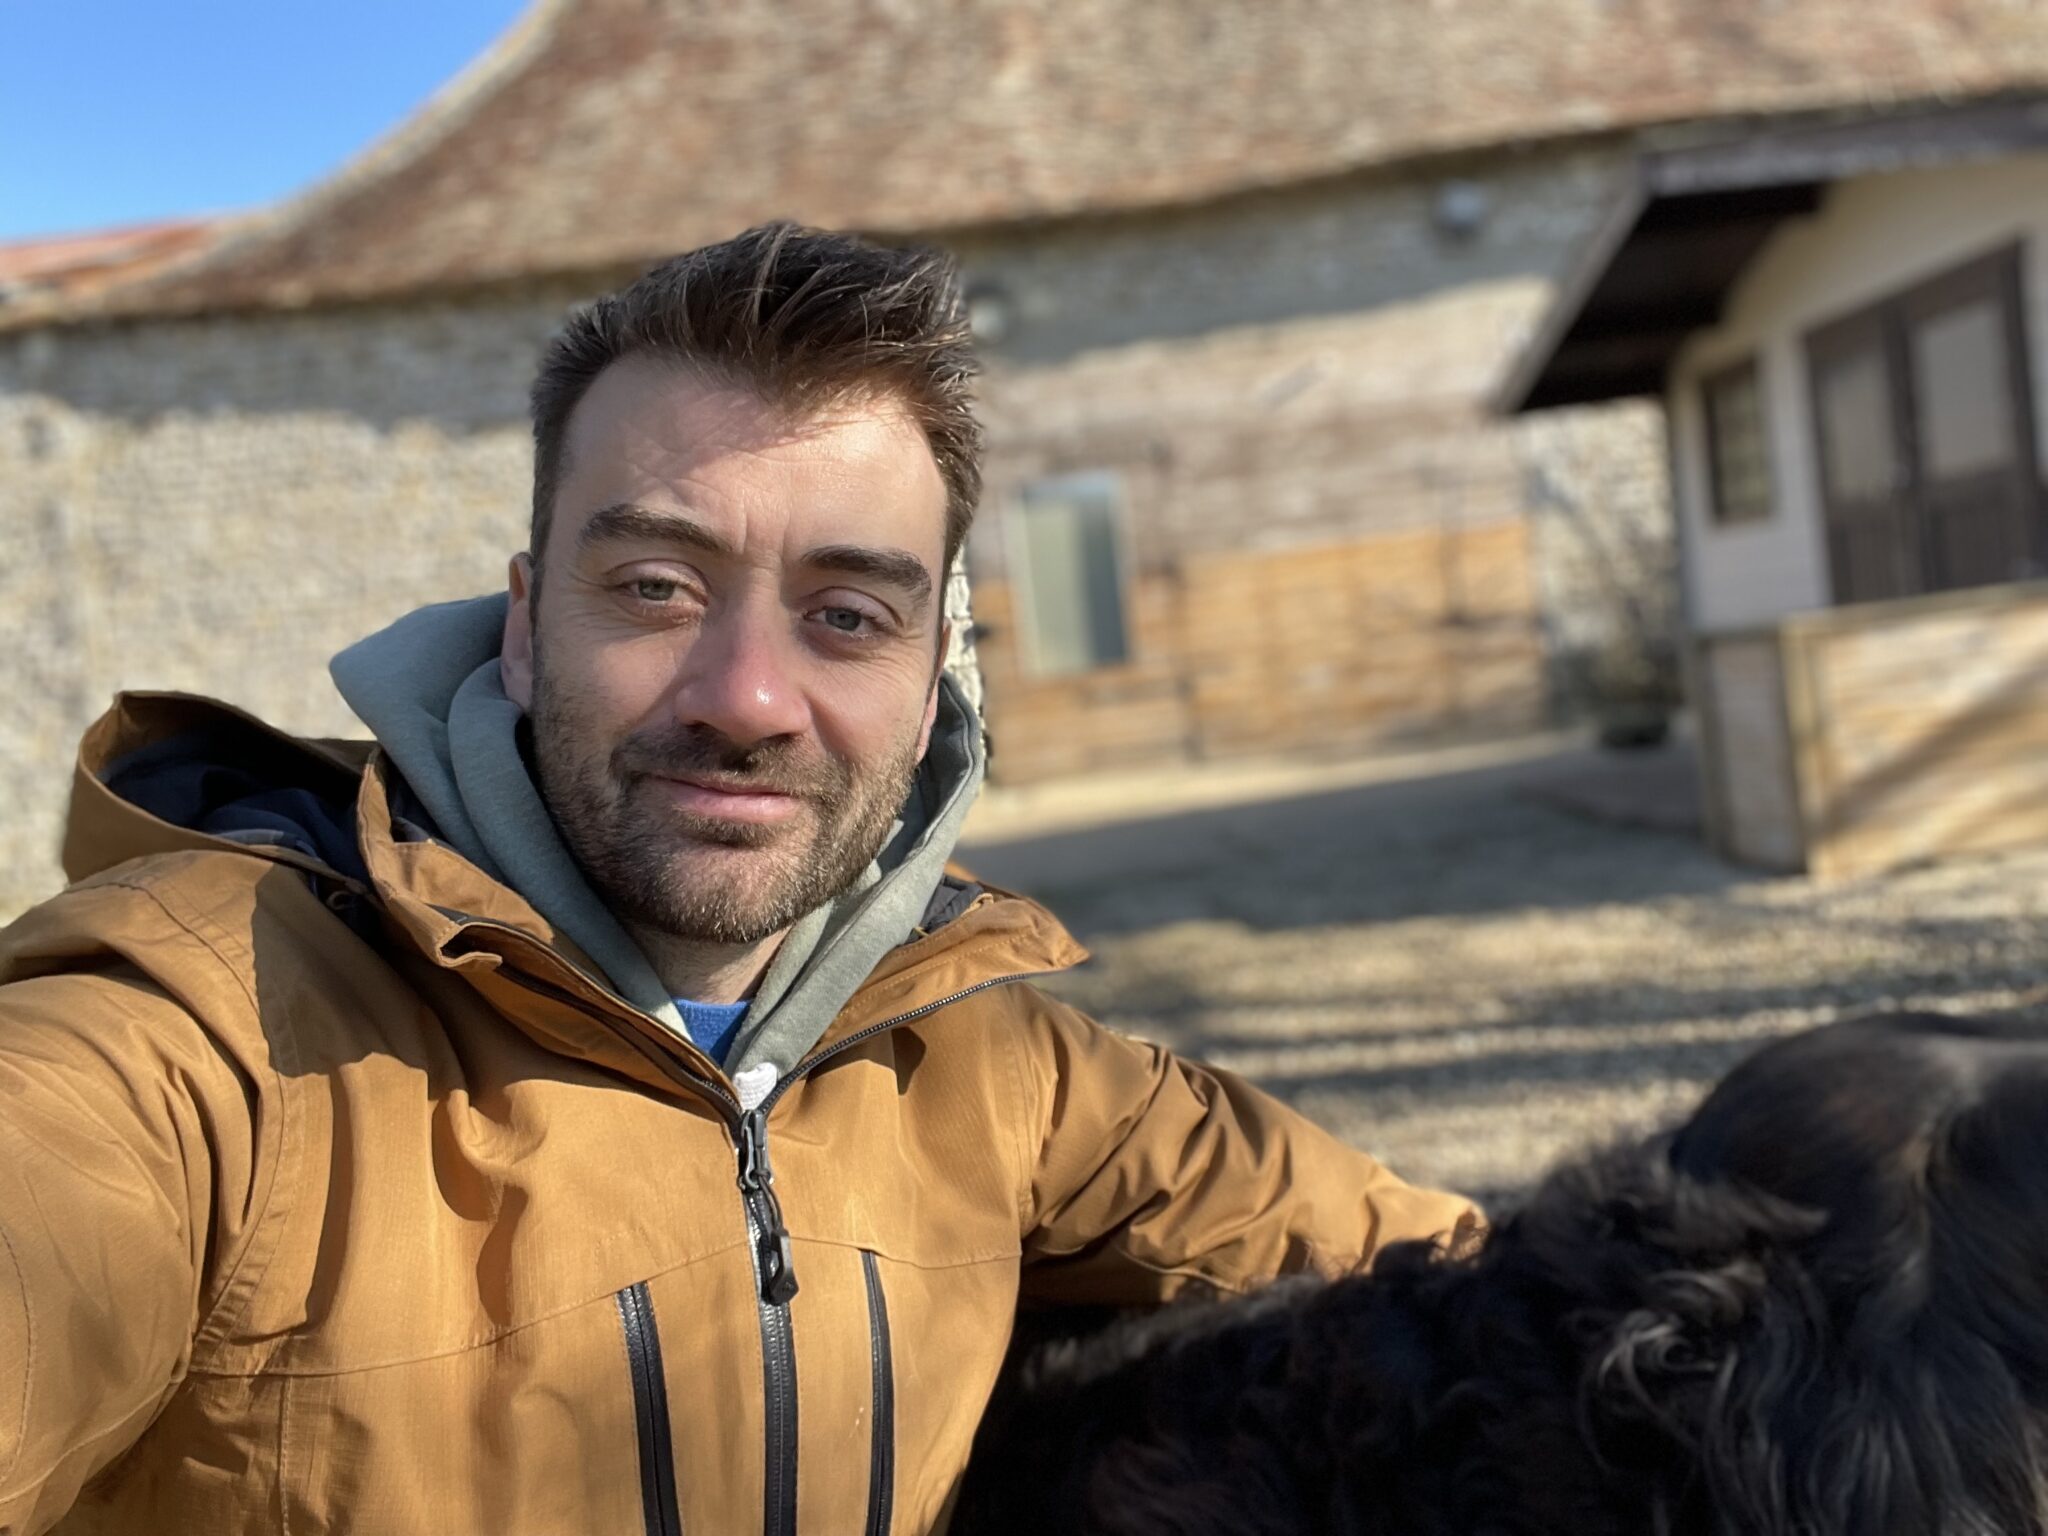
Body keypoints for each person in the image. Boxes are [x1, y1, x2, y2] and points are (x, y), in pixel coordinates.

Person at [0, 223, 1478, 1536]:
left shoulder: (990, 1062)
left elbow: (1463, 1274)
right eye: (656, 586)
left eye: (847, 614)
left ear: (930, 683)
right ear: (525, 629)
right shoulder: (195, 1042)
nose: (748, 697)